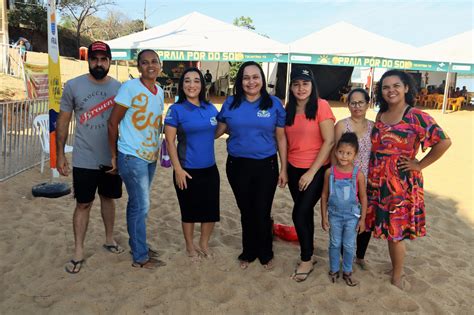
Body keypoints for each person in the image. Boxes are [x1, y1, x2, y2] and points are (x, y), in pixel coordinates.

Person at [366, 70, 451, 289]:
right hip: (378, 180)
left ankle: (397, 275)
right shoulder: (380, 115)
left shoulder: (416, 115)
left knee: (395, 232)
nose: (391, 90)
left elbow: (443, 142)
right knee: (386, 229)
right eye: (385, 87)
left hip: (400, 183)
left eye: (396, 85)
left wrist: (419, 164)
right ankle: (395, 266)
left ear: (406, 88)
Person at [56, 41, 123, 274]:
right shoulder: (73, 86)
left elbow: (127, 122)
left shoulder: (119, 88)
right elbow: (63, 121)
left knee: (108, 198)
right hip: (83, 157)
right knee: (83, 203)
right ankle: (78, 251)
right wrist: (60, 154)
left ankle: (109, 239)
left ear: (109, 62)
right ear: (88, 60)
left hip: (111, 157)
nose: (99, 63)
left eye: (103, 59)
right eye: (95, 59)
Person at [216, 61, 287, 270]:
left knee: (262, 210)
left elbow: (281, 138)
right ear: (240, 81)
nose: (251, 81)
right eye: (246, 78)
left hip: (267, 165)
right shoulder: (230, 103)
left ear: (262, 80)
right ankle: (248, 251)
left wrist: (284, 168)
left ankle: (265, 252)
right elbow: (217, 130)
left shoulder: (274, 104)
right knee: (246, 209)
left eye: (255, 77)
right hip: (237, 165)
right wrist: (188, 132)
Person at [108, 49, 166, 270]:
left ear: (160, 65)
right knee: (141, 205)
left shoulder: (159, 91)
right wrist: (114, 155)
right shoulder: (129, 88)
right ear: (138, 67)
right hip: (132, 156)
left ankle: (138, 245)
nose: (150, 65)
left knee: (137, 204)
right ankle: (140, 256)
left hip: (150, 156)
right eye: (144, 62)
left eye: (154, 61)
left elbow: (155, 123)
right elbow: (113, 123)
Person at [285, 66, 335, 282]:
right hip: (293, 168)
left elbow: (330, 140)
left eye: (305, 84)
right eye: (296, 84)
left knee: (298, 213)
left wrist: (311, 172)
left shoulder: (321, 106)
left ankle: (306, 259)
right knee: (304, 213)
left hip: (316, 169)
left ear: (312, 86)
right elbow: (285, 141)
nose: (301, 88)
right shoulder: (289, 108)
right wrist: (284, 170)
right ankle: (310, 252)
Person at [164, 67, 220, 261]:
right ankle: (190, 246)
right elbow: (169, 141)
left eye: (196, 81)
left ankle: (204, 243)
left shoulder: (210, 108)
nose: (192, 85)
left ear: (202, 85)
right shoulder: (176, 109)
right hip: (186, 169)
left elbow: (215, 132)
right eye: (187, 81)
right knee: (189, 211)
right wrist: (177, 169)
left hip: (210, 168)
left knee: (210, 210)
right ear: (182, 85)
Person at [333, 88, 374, 270]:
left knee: (365, 219)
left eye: (361, 102)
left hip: (368, 180)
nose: (357, 106)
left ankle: (360, 256)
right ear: (347, 104)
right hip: (345, 181)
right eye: (353, 102)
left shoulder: (374, 127)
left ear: (368, 104)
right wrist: (337, 177)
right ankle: (343, 256)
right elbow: (335, 153)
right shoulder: (341, 125)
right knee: (344, 218)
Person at [321, 132, 367, 287]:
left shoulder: (358, 174)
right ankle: (334, 269)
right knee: (334, 243)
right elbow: (324, 195)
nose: (344, 156)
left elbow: (363, 198)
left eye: (348, 153)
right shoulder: (330, 172)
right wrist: (323, 217)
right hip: (334, 215)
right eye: (341, 152)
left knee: (348, 245)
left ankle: (347, 271)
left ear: (355, 154)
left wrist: (363, 219)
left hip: (352, 216)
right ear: (335, 152)